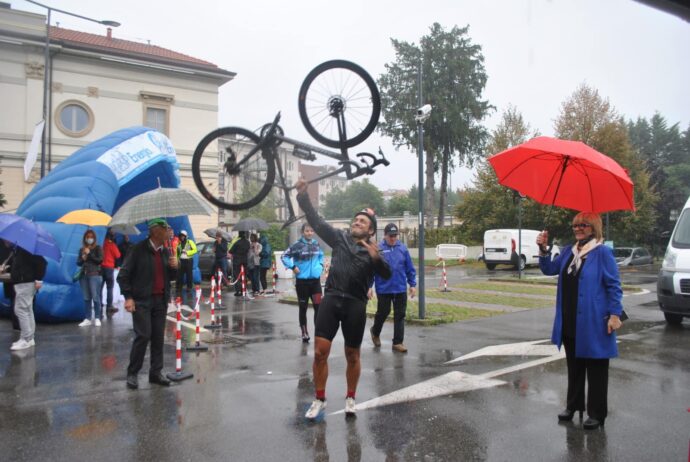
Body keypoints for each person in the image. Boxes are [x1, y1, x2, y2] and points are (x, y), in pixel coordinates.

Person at [295, 179, 391, 420]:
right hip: (331, 299)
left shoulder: (373, 251)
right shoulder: (339, 238)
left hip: (355, 305)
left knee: (353, 355)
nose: (357, 223)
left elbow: (387, 275)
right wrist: (303, 197)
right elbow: (316, 221)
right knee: (319, 353)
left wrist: (376, 258)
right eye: (356, 220)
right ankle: (319, 399)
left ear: (370, 230)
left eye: (363, 222)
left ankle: (350, 397)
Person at [536, 212, 623, 430]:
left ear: (593, 228)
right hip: (570, 320)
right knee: (574, 368)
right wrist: (543, 249)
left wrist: (614, 315)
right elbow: (548, 269)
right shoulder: (568, 252)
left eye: (583, 225)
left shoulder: (602, 253)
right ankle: (573, 406)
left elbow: (614, 286)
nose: (578, 229)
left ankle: (597, 413)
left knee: (596, 370)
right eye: (575, 225)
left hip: (595, 322)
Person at [118, 218, 178, 389]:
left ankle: (155, 373)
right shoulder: (137, 250)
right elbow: (123, 275)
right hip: (142, 300)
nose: (169, 231)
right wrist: (128, 297)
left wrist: (174, 267)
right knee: (143, 336)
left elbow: (171, 278)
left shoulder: (166, 252)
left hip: (160, 301)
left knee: (158, 338)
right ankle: (133, 373)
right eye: (165, 228)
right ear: (155, 231)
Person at [369, 223, 417, 353]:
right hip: (384, 288)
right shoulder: (378, 249)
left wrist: (412, 285)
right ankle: (375, 331)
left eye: (395, 235)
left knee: (400, 315)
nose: (393, 238)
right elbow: (372, 270)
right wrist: (369, 287)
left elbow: (410, 268)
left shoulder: (403, 248)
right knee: (383, 312)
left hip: (400, 288)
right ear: (385, 235)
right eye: (390, 236)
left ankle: (397, 342)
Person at [281, 223, 324, 342]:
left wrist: (320, 266)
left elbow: (321, 256)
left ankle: (318, 332)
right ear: (302, 232)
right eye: (307, 231)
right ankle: (304, 332)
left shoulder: (316, 244)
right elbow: (284, 256)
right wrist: (293, 266)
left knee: (318, 307)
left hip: (315, 283)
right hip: (302, 283)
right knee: (303, 307)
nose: (309, 233)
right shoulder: (297, 245)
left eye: (311, 231)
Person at [1, 240, 46, 350]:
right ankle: (29, 337)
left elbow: (42, 263)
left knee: (20, 309)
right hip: (22, 283)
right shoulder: (18, 250)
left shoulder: (26, 249)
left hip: (25, 283)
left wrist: (39, 279)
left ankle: (26, 338)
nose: (4, 242)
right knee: (27, 309)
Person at [77, 229, 104, 327]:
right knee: (86, 297)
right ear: (85, 238)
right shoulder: (82, 249)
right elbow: (78, 262)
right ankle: (87, 318)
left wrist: (90, 254)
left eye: (91, 237)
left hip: (95, 275)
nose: (89, 239)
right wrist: (82, 258)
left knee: (95, 296)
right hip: (84, 275)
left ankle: (97, 317)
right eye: (88, 237)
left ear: (94, 238)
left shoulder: (98, 248)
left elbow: (100, 260)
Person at [101, 229, 121, 316]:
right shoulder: (112, 244)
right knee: (110, 288)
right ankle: (109, 307)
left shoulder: (101, 244)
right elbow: (118, 255)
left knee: (100, 288)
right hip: (109, 268)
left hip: (101, 268)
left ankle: (100, 305)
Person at [176, 230, 197, 294]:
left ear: (185, 236)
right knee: (180, 275)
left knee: (189, 274)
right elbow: (177, 252)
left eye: (183, 236)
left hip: (188, 260)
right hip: (181, 260)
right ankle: (179, 287)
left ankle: (189, 287)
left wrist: (187, 252)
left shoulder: (190, 242)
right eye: (181, 236)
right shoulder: (179, 243)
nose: (182, 237)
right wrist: (177, 259)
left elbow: (195, 250)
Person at [229, 231, 250, 296]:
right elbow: (248, 250)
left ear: (239, 235)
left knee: (237, 276)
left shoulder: (237, 242)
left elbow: (231, 251)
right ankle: (244, 289)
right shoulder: (247, 242)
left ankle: (238, 291)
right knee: (244, 275)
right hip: (245, 261)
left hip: (237, 261)